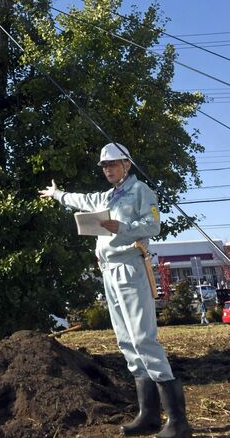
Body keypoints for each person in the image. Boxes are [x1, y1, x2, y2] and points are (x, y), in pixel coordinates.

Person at [39, 143, 192, 438]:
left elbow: (153, 225)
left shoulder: (141, 191)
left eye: (113, 164)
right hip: (109, 272)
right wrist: (57, 194)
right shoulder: (107, 196)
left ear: (127, 165)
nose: (108, 169)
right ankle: (148, 415)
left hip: (131, 268)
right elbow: (83, 200)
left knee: (143, 339)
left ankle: (177, 422)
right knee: (127, 343)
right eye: (104, 166)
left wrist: (119, 227)